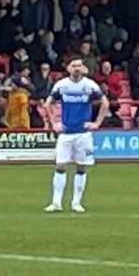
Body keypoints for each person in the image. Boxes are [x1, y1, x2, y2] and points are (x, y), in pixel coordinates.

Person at [44, 56, 104, 213]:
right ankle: (56, 202)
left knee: (81, 166)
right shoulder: (62, 85)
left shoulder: (90, 85)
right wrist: (54, 123)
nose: (76, 68)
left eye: (79, 66)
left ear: (83, 69)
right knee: (60, 165)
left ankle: (76, 202)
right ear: (68, 68)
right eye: (73, 66)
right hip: (66, 133)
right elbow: (48, 103)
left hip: (83, 134)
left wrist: (97, 123)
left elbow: (105, 103)